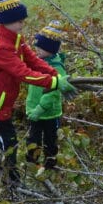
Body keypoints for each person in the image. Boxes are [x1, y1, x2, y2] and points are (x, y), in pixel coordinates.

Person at [0, 0, 72, 184]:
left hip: (3, 96)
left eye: (22, 20)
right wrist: (53, 82)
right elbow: (23, 72)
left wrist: (54, 73)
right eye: (19, 21)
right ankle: (11, 178)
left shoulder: (16, 39)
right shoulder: (1, 46)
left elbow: (32, 60)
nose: (22, 24)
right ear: (6, 22)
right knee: (7, 139)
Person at [25, 20, 72, 171]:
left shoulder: (57, 68)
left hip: (49, 113)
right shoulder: (38, 61)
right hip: (33, 109)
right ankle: (31, 162)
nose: (36, 48)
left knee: (50, 140)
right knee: (33, 138)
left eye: (40, 47)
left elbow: (53, 93)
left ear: (50, 49)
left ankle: (50, 164)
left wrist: (40, 108)